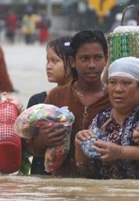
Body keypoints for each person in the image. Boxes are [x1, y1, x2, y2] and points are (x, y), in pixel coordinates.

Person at [28, 30, 111, 177]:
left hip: (101, 185)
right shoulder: (56, 96)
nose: (92, 65)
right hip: (62, 187)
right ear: (73, 61)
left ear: (106, 59)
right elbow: (32, 148)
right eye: (84, 58)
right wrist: (41, 141)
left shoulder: (114, 97)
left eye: (98, 58)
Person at [74, 57, 139, 181]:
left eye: (126, 83)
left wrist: (120, 152)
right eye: (112, 82)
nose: (118, 89)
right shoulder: (101, 118)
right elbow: (85, 168)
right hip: (109, 194)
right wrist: (80, 147)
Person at [26, 36, 73, 175]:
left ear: (72, 63)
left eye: (55, 61)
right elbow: (25, 147)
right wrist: (40, 141)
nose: (48, 66)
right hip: (41, 178)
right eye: (47, 60)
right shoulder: (37, 101)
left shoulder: (84, 100)